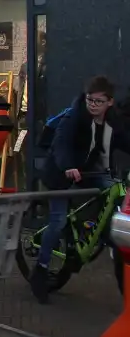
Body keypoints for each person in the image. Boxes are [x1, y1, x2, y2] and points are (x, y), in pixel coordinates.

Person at [32, 76, 130, 304]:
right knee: (57, 221)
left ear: (110, 102)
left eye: (98, 101)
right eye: (90, 100)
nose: (93, 105)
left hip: (90, 173)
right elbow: (62, 145)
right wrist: (68, 166)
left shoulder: (113, 121)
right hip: (61, 173)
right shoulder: (74, 117)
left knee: (114, 204)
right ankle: (41, 270)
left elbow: (125, 141)